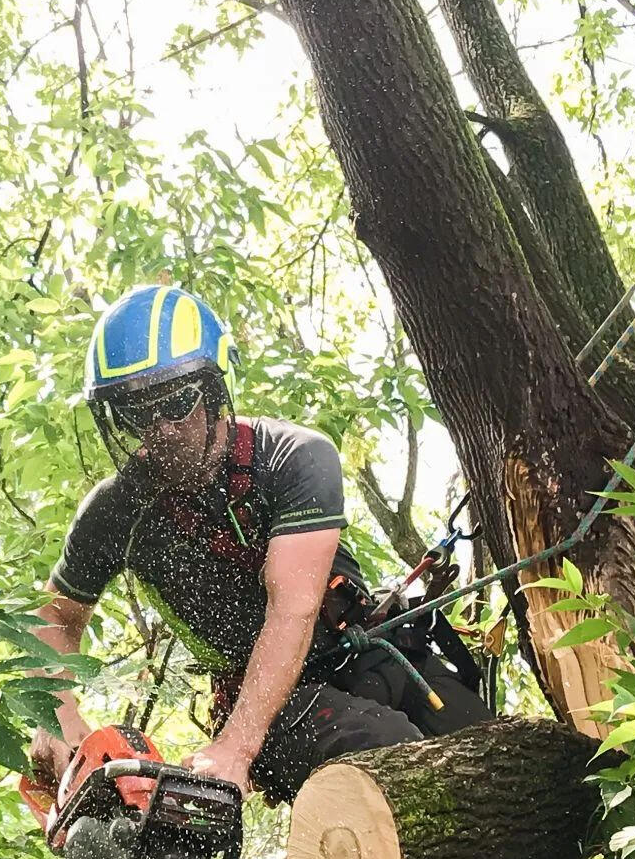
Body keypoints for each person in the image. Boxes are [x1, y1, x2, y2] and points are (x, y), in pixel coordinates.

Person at [29, 283, 492, 803]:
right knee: (392, 759)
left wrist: (236, 749)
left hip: (366, 653)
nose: (163, 430)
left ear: (212, 391)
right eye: (138, 413)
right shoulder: (116, 510)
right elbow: (56, 616)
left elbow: (291, 609)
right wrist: (55, 715)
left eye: (177, 403)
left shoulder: (294, 459)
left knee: (489, 753)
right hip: (268, 706)